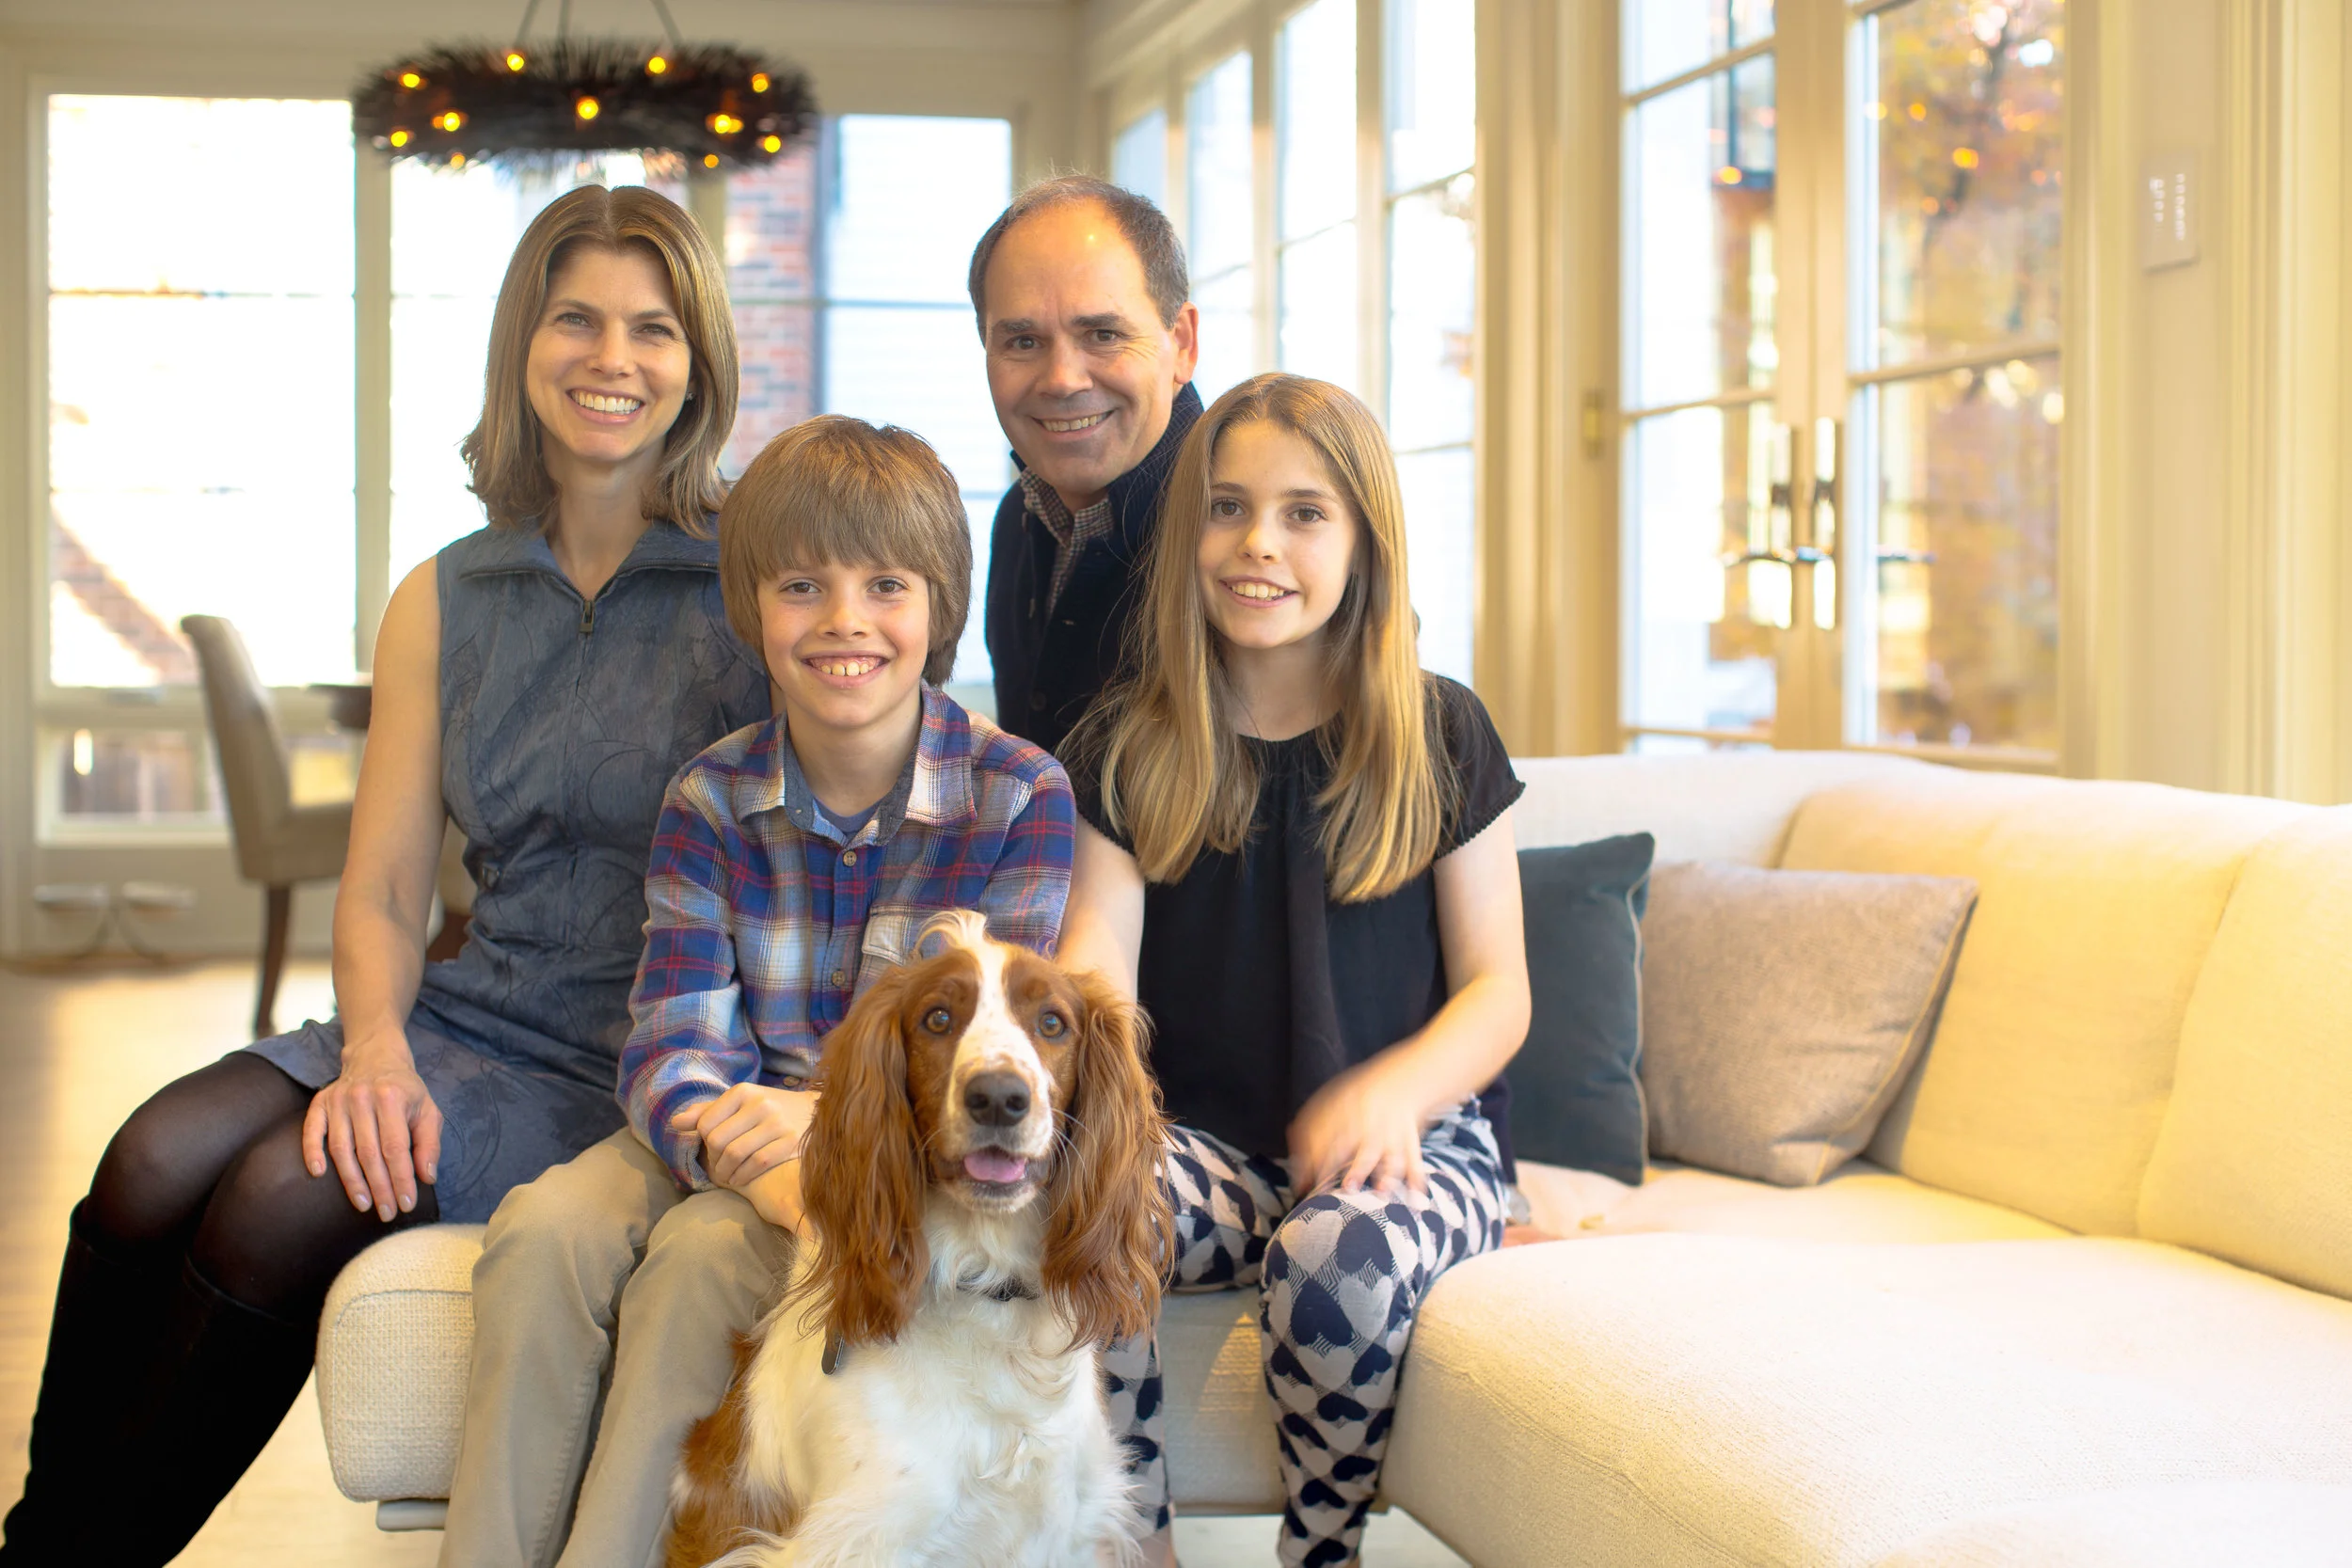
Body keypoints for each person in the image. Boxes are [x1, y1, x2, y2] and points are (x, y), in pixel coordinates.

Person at [0, 185, 766, 1565]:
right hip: (470, 1008)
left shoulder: (754, 585)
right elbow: (385, 886)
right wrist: (374, 1049)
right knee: (147, 1157)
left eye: (654, 328)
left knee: (276, 1199)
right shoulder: (447, 592)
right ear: (521, 345)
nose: (613, 357)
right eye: (576, 318)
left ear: (698, 360)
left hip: (624, 1058)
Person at [437, 416, 1076, 1568]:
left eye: (885, 584)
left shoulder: (1018, 794)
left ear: (939, 606)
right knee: (541, 1231)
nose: (844, 619)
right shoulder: (710, 795)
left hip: (875, 1148)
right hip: (728, 1125)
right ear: (752, 609)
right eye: (801, 585)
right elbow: (671, 1044)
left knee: (697, 1261)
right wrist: (760, 1155)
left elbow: (987, 1048)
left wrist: (820, 1133)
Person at [1057, 374, 1533, 1568]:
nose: (1257, 542)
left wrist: (1394, 1091)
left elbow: (1499, 990)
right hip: (1209, 1149)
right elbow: (1093, 987)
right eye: (1226, 508)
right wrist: (1090, 1124)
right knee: (1076, 1195)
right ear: (1189, 533)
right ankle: (1131, 1544)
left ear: (1364, 542)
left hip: (1417, 1148)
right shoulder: (1123, 746)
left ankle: (1322, 1552)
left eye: (1304, 513)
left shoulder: (1441, 731)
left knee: (1329, 1265)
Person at [972, 175, 1201, 754]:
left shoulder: (1248, 532)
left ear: (1182, 343)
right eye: (1023, 342)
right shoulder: (1019, 519)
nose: (1062, 380)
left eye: (1102, 333)